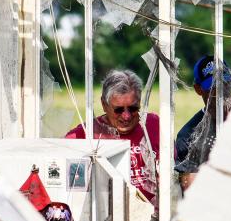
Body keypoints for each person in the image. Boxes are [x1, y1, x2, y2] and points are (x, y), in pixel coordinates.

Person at [65, 69, 160, 207]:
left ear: (140, 103)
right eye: (119, 110)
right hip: (106, 213)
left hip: (152, 215)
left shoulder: (154, 124)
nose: (126, 116)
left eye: (133, 108)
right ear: (104, 105)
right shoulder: (85, 133)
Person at [175, 56, 231, 192]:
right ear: (198, 89)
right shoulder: (188, 135)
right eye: (213, 87)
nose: (221, 92)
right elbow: (190, 189)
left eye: (225, 83)